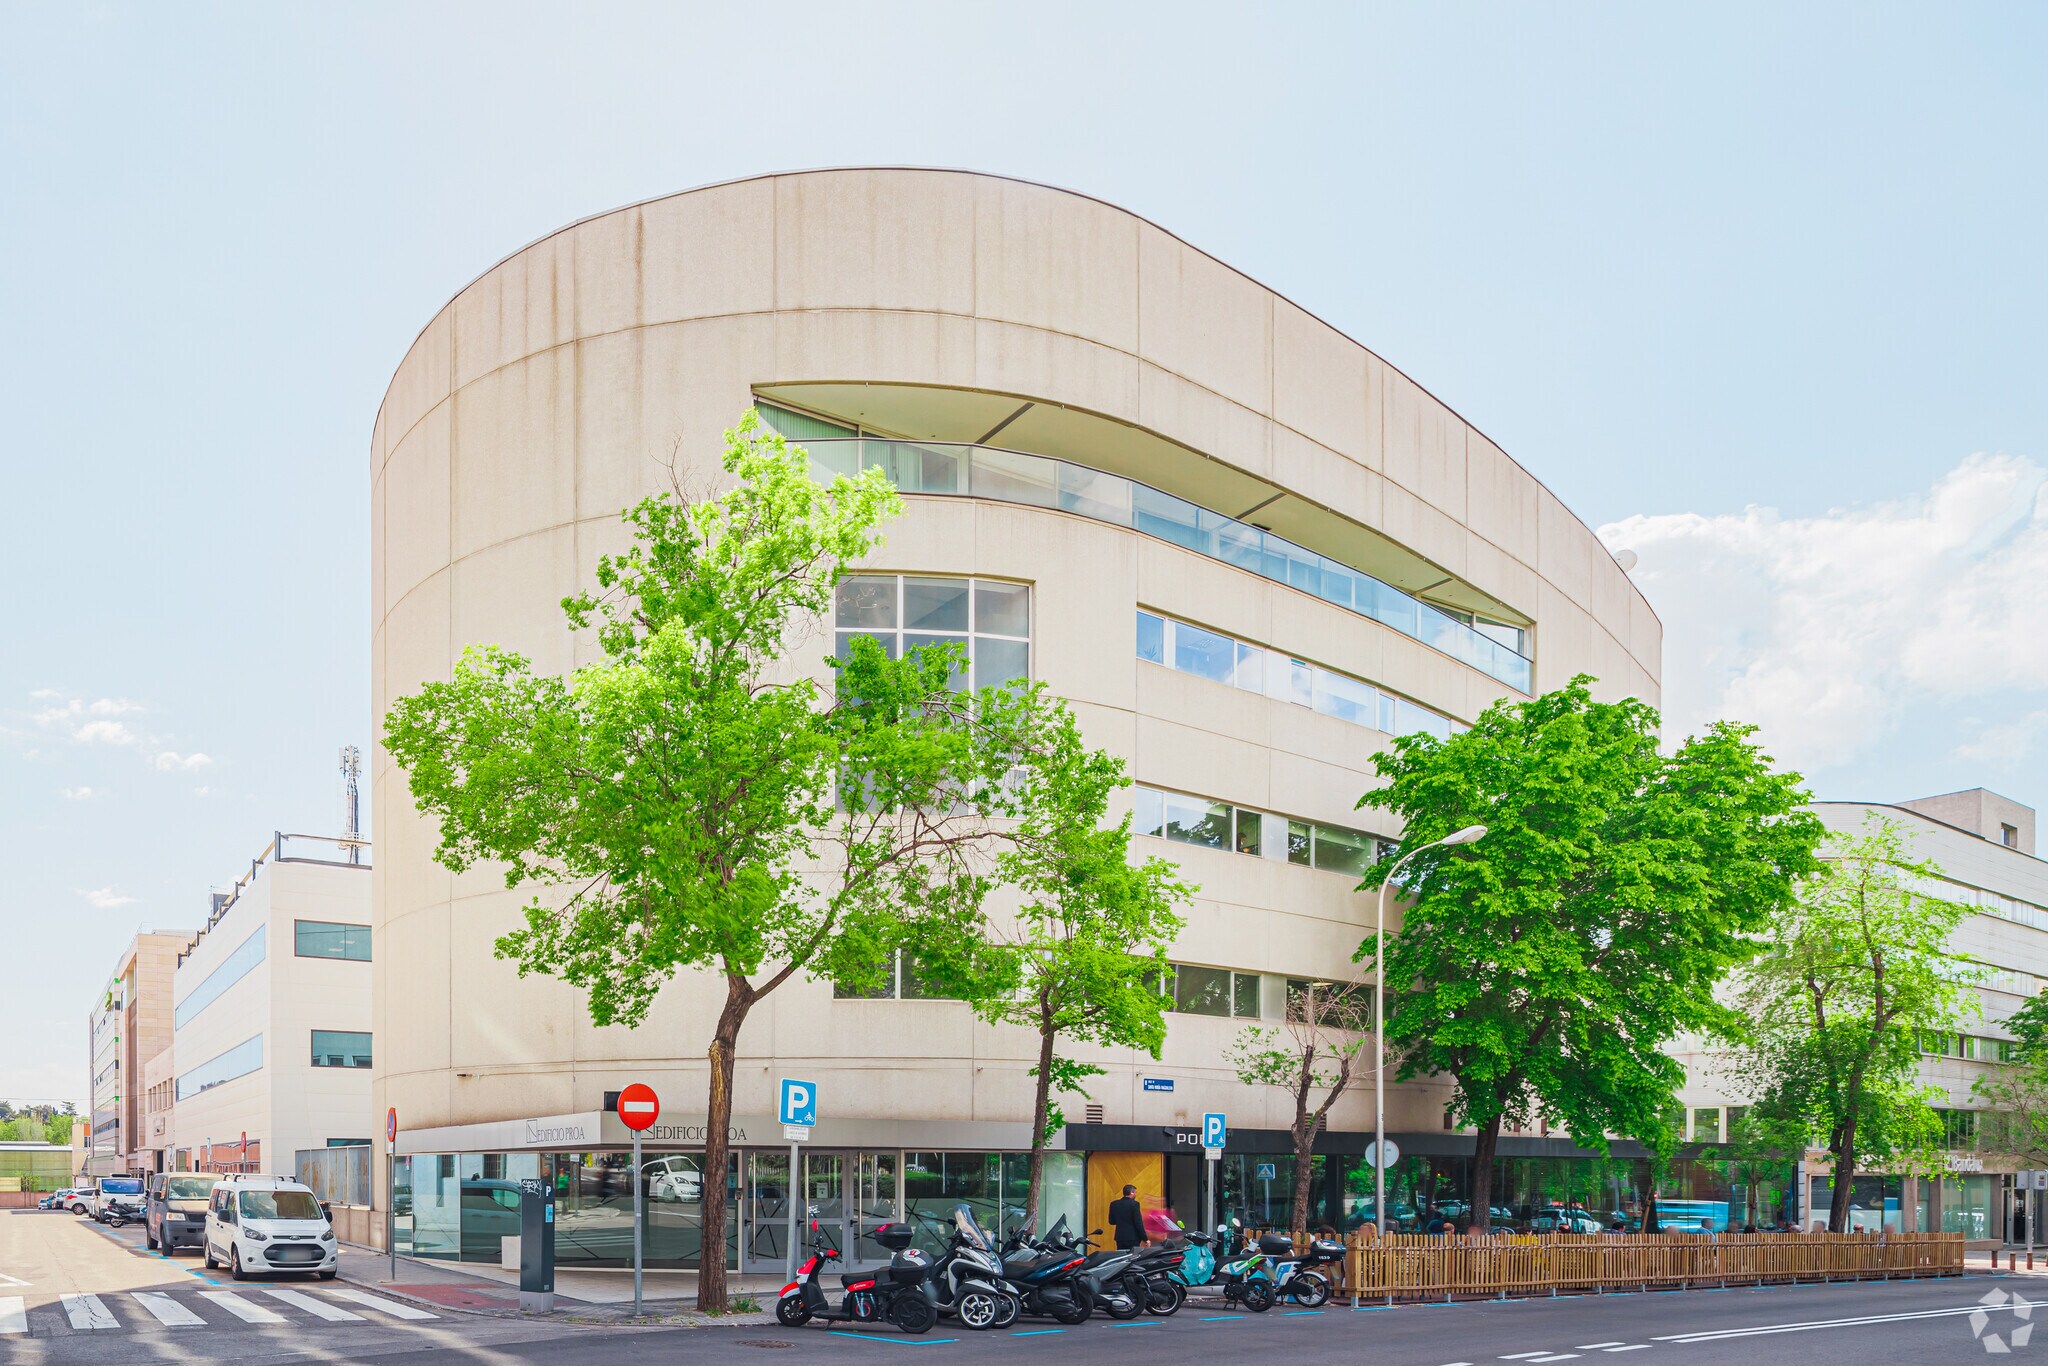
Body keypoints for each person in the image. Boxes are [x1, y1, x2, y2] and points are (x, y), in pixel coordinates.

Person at [1108, 1184, 1146, 1250]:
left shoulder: (1114, 1204)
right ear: (1132, 1192)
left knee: (1121, 1258)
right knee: (1132, 1258)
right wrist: (1145, 1238)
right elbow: (1138, 1223)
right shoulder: (1135, 1204)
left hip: (1120, 1237)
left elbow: (1111, 1221)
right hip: (1132, 1237)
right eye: (1135, 1192)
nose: (1136, 1194)